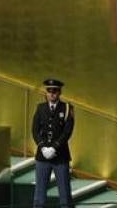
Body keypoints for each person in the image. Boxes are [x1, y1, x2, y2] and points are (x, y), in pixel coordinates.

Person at [32, 78, 75, 208]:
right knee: (39, 195)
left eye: (55, 91)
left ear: (59, 92)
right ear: (46, 92)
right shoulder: (40, 108)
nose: (52, 94)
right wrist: (42, 147)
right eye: (49, 91)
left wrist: (54, 148)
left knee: (65, 195)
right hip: (42, 156)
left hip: (60, 156)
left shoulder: (67, 108)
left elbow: (67, 131)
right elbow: (34, 130)